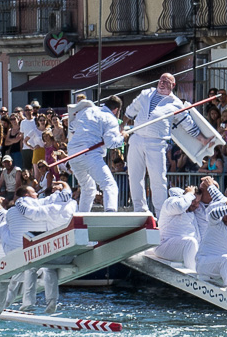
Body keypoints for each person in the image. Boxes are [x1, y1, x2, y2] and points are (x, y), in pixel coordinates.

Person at [124, 73, 207, 215]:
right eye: (161, 80)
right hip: (137, 138)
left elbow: (188, 124)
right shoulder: (145, 94)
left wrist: (202, 139)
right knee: (134, 176)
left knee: (158, 179)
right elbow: (130, 111)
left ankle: (161, 213)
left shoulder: (176, 103)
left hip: (157, 143)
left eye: (167, 81)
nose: (162, 82)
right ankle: (139, 210)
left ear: (173, 85)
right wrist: (122, 127)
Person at [1, 183, 76, 314]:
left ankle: (27, 303)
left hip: (56, 250)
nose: (37, 194)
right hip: (71, 250)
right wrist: (63, 185)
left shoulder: (48, 208)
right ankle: (51, 304)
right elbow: (61, 194)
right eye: (34, 193)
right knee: (48, 267)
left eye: (54, 190)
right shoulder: (70, 204)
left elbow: (30, 212)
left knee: (31, 265)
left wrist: (17, 202)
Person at [67, 95, 125, 212]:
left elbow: (72, 126)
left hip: (73, 155)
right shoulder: (110, 118)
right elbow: (111, 143)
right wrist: (122, 137)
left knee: (88, 188)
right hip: (90, 155)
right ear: (116, 110)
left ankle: (82, 218)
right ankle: (110, 214)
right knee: (109, 185)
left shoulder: (87, 111)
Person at [152, 187, 200, 270]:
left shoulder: (191, 213)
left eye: (198, 202)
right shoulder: (171, 202)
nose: (196, 205)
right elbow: (180, 207)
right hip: (164, 245)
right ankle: (195, 276)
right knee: (190, 243)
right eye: (193, 201)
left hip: (179, 248)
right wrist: (189, 194)